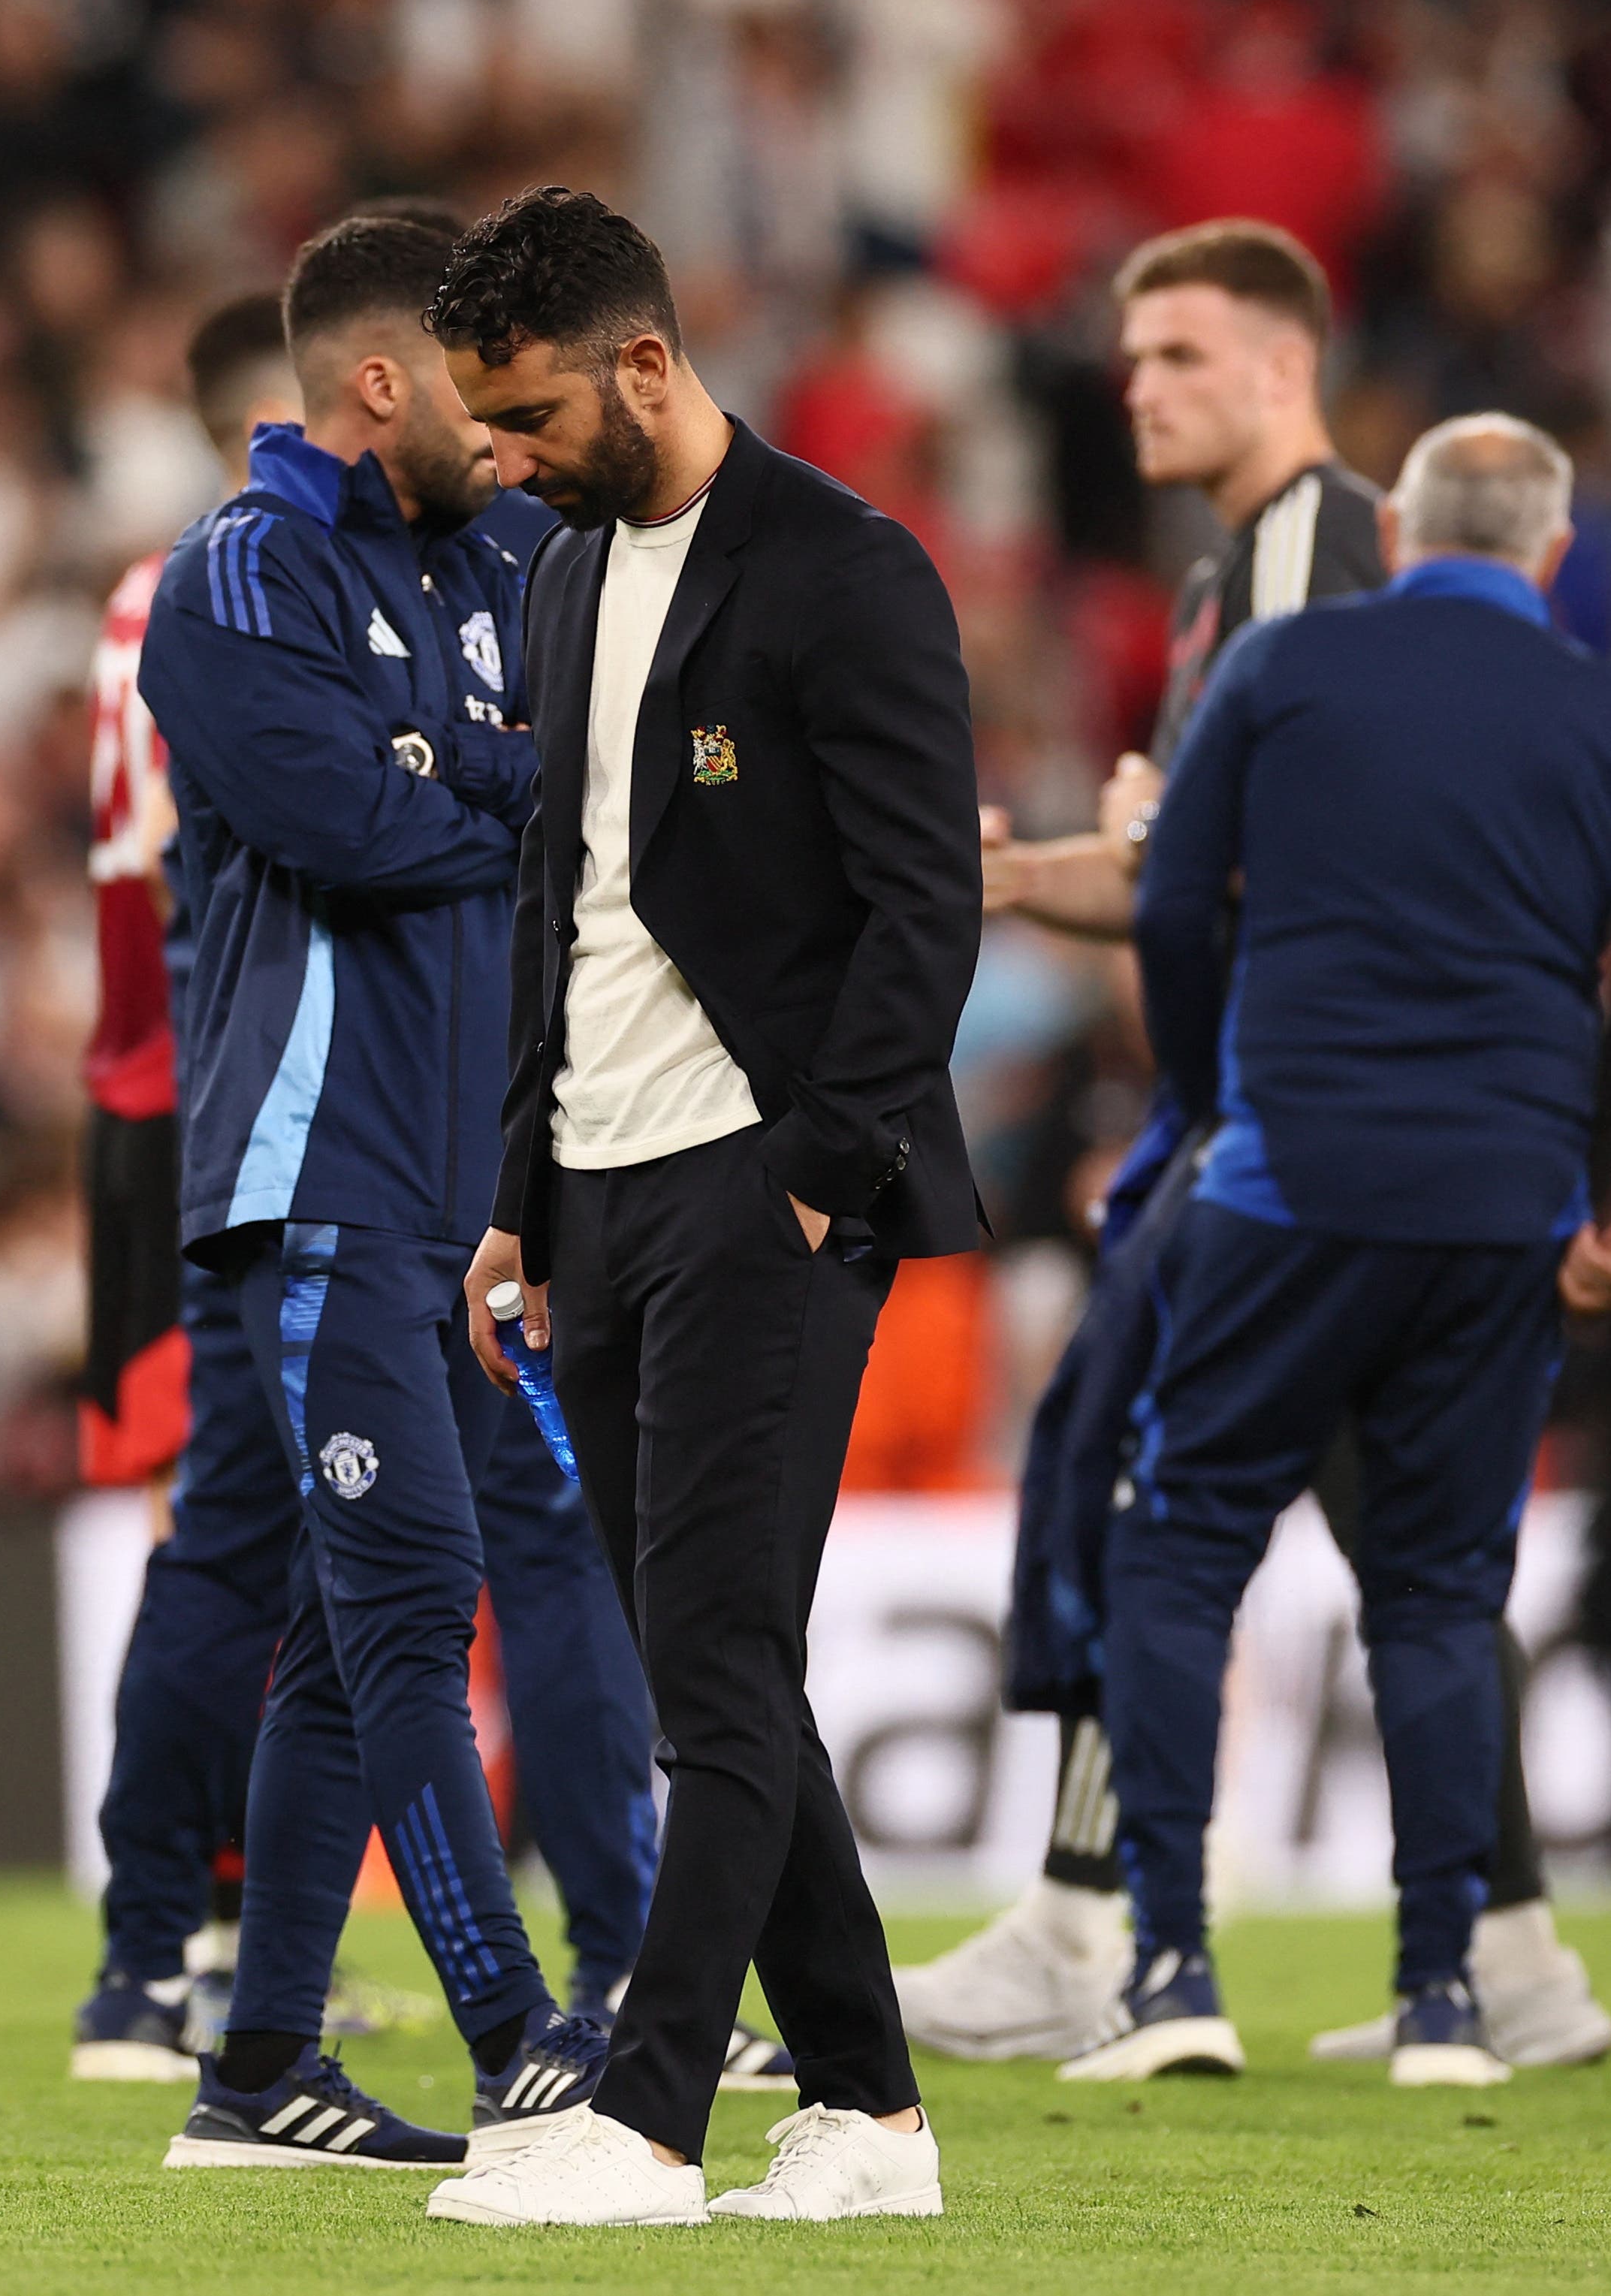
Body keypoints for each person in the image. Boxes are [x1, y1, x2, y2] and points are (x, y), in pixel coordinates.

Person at [904, 218, 1611, 2077]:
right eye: (1132, 358)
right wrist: (1016, 876)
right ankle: (1515, 1957)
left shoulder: (1315, 550)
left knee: (1120, 1472)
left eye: (1183, 356)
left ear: (1288, 366)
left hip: (1294, 1135)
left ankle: (1087, 1925)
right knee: (1406, 1548)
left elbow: (1277, 858)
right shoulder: (1248, 569)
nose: (1139, 388)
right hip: (1383, 1134)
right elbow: (1213, 863)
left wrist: (1152, 864)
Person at [433, 186, 983, 2228]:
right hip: (593, 1192)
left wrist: (823, 1177)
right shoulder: (568, 577)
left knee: (723, 1658)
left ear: (647, 365)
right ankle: (871, 2112)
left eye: (528, 416)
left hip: (764, 1185)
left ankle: (650, 2115)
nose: (503, 460)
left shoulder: (846, 568)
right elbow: (557, 904)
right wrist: (518, 1192)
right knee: (709, 1664)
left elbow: (928, 906)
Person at [1093, 415, 1611, 2088]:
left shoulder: (1285, 666)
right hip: (1504, 1215)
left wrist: (1207, 1090)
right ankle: (1446, 1993)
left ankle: (1171, 1972)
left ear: (1394, 529)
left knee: (1181, 1548)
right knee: (1443, 1592)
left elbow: (1170, 904)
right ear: (1551, 552)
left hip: (1286, 1189)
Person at [130, 213, 644, 2169]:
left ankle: (260, 2066)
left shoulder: (506, 553)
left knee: (352, 1637)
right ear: (377, 379)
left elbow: (582, 792)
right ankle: (520, 2039)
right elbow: (350, 823)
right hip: (322, 1166)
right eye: (470, 392)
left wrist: (464, 767)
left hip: (476, 1183)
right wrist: (492, 784)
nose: (505, 434)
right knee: (418, 1601)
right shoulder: (238, 574)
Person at [73, 289, 303, 2075]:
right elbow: (191, 880)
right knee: (219, 1526)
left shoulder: (154, 593)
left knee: (258, 1531)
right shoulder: (219, 591)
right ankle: (158, 1943)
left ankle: (213, 1937)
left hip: (186, 1095)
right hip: (203, 1103)